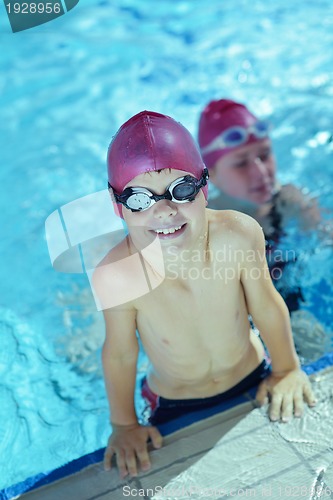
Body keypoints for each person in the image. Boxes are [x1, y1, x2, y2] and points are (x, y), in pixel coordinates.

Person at [93, 110, 316, 480]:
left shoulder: (239, 234)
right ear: (117, 205)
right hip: (174, 401)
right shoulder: (118, 274)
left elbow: (265, 304)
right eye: (138, 199)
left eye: (181, 190)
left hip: (254, 373)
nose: (164, 211)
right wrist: (124, 425)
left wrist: (287, 369)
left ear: (204, 188)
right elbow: (119, 352)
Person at [198, 99, 322, 312]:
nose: (261, 173)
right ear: (212, 175)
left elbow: (326, 240)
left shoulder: (289, 200)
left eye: (264, 155)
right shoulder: (204, 225)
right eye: (241, 163)